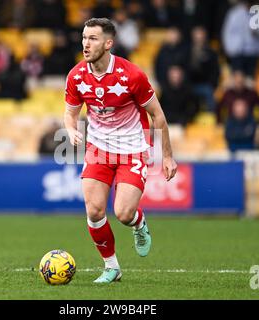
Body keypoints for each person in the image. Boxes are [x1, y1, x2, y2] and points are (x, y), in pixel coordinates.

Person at [64, 18, 177, 283]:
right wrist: (70, 129)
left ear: (108, 43)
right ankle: (111, 267)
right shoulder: (77, 76)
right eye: (83, 37)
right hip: (98, 149)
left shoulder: (131, 75)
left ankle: (138, 223)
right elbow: (69, 114)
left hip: (132, 150)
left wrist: (168, 156)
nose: (85, 44)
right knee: (94, 211)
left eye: (92, 38)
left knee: (124, 213)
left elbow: (158, 117)